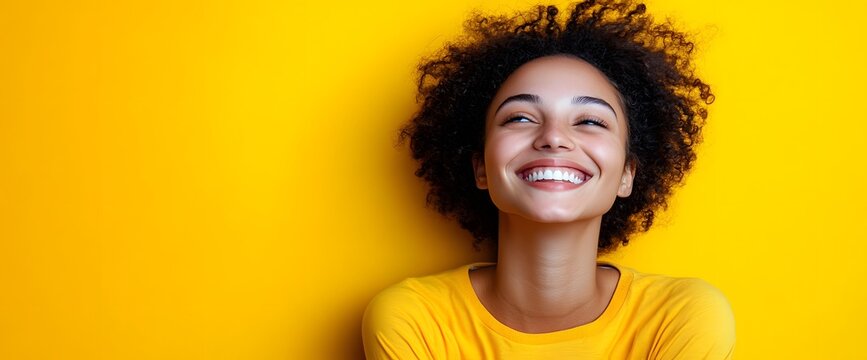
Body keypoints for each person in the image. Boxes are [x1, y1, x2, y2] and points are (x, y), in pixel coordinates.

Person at [362, 0, 735, 358]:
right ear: (481, 168)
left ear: (626, 175)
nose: (554, 137)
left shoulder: (681, 317)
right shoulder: (415, 320)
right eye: (520, 118)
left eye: (590, 121)